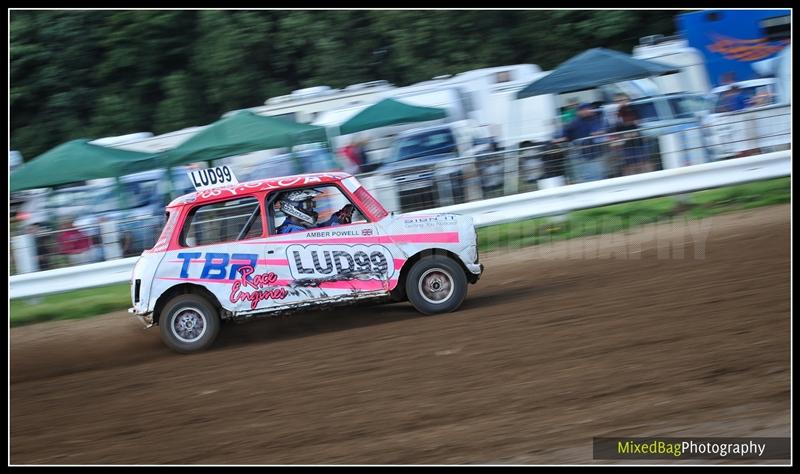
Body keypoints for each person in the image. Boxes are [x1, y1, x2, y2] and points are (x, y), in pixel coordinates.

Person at [275, 189, 354, 234]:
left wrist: (338, 216)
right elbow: (322, 240)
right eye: (308, 205)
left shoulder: (299, 225)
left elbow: (320, 228)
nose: (312, 208)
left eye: (313, 204)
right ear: (292, 207)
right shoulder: (291, 231)